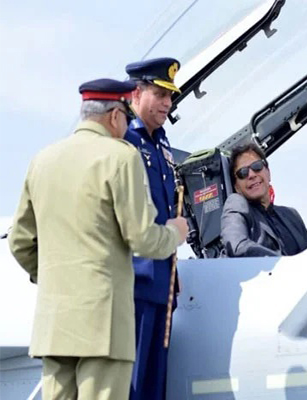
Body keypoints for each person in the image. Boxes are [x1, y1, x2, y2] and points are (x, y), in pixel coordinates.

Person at [8, 78, 189, 400]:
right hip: (103, 324)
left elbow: (20, 240)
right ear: (115, 116)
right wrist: (175, 233)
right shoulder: (121, 157)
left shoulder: (43, 159)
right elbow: (142, 238)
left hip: (54, 323)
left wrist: (52, 277)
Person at [123, 57, 183, 400]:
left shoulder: (161, 143)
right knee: (132, 384)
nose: (167, 103)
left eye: (170, 96)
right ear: (136, 93)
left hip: (163, 283)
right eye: (160, 94)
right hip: (136, 280)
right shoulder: (124, 141)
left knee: (154, 387)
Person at [221, 143, 307, 257]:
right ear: (237, 187)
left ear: (268, 173)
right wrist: (282, 262)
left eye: (257, 166)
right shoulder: (236, 204)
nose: (251, 175)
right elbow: (237, 246)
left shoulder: (291, 215)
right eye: (243, 173)